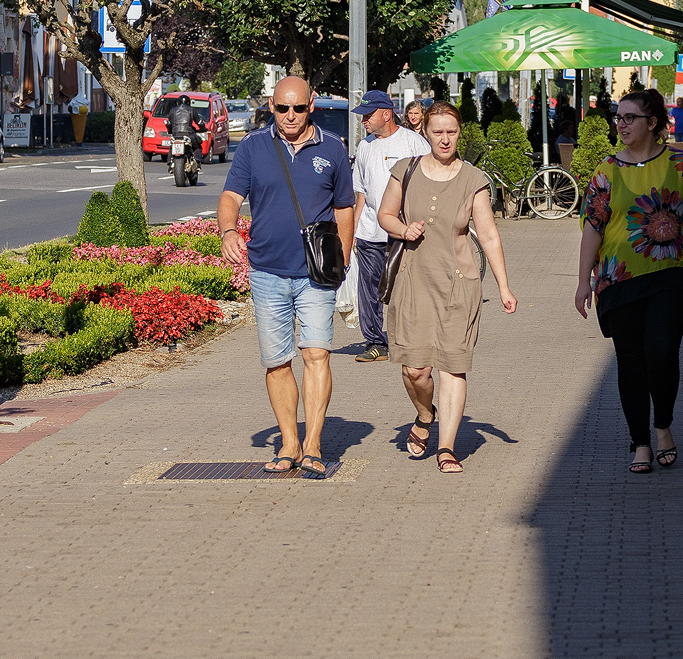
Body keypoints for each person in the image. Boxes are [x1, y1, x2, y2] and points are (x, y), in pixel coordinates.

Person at [574, 88, 683, 474]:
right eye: (618, 118)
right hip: (619, 280)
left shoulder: (680, 163)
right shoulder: (607, 170)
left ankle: (663, 426)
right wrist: (582, 281)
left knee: (662, 352)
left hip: (670, 274)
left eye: (629, 118)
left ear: (652, 122)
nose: (621, 125)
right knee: (630, 361)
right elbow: (592, 228)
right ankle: (640, 441)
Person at [218, 76, 355, 476]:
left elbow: (344, 208)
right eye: (282, 108)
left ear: (311, 104)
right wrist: (228, 230)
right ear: (271, 106)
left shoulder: (333, 148)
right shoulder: (253, 146)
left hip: (316, 272)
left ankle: (313, 444)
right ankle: (289, 442)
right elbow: (231, 196)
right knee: (277, 362)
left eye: (297, 108)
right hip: (267, 272)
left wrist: (343, 260)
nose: (290, 115)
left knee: (316, 353)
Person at [377, 102, 517, 474]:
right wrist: (403, 229)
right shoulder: (405, 170)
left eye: (451, 132)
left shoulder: (473, 179)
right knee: (415, 370)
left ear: (459, 134)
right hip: (413, 282)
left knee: (452, 368)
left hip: (458, 285)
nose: (444, 139)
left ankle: (446, 447)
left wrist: (504, 286)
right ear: (425, 132)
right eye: (437, 131)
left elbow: (488, 235)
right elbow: (384, 214)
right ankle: (425, 415)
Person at [349, 90, 430, 362]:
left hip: (405, 231)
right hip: (370, 231)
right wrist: (353, 231)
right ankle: (375, 342)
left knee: (406, 287)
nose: (363, 121)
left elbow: (430, 183)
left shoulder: (413, 143)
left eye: (368, 115)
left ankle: (411, 338)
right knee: (369, 289)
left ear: (386, 114)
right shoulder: (365, 147)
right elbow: (361, 192)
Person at [168, 94, 206, 160]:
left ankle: (169, 161)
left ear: (178, 102)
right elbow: (199, 122)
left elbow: (169, 123)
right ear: (188, 103)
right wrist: (203, 129)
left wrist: (170, 131)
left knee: (171, 146)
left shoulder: (172, 110)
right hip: (188, 134)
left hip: (175, 134)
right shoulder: (191, 110)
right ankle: (197, 160)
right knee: (197, 147)